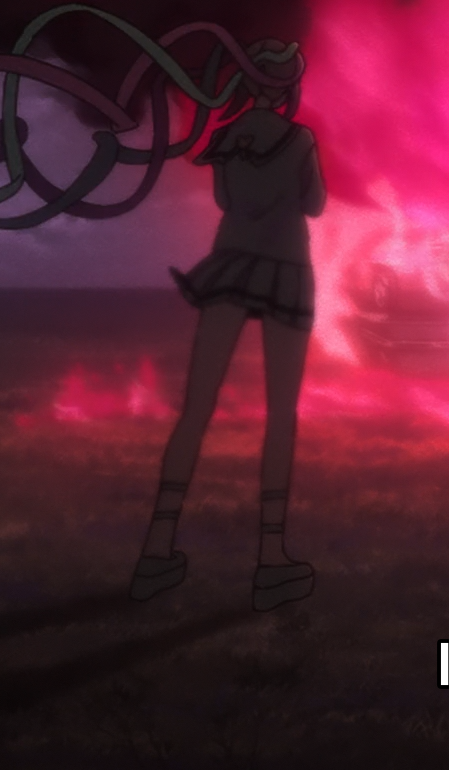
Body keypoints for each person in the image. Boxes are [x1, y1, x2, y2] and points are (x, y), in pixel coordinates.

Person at [129, 41, 327, 610]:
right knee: (281, 414)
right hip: (284, 270)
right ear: (287, 87)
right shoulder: (299, 140)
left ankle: (156, 552)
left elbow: (224, 199)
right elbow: (314, 204)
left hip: (230, 264)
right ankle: (270, 560)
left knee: (196, 408)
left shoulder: (225, 138)